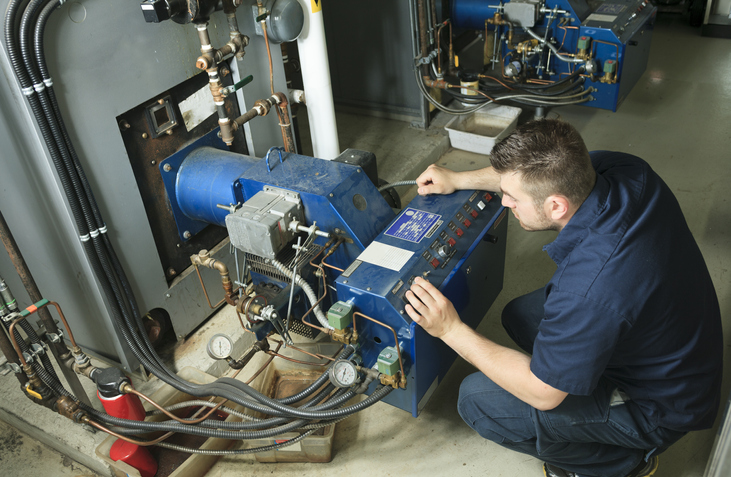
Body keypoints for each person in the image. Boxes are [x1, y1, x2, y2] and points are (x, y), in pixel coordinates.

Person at [405, 119, 722, 477]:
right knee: (521, 315)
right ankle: (582, 380)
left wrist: (450, 330)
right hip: (674, 339)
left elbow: (544, 395)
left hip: (660, 403)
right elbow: (530, 178)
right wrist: (459, 179)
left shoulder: (588, 288)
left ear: (556, 207)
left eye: (513, 198)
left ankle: (622, 462)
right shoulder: (626, 171)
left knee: (479, 400)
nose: (504, 202)